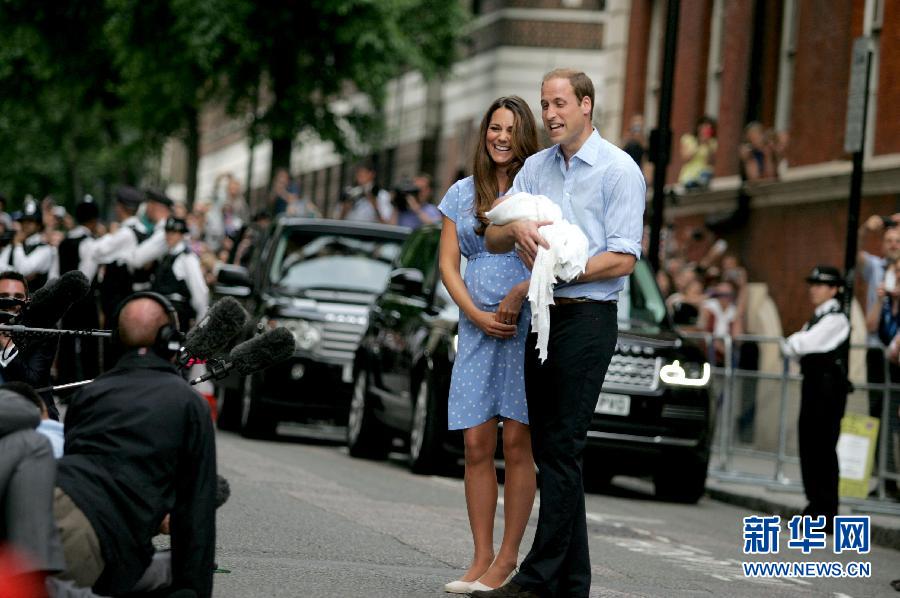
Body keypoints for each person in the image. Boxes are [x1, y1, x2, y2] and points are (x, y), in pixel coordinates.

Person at [478, 69, 645, 598]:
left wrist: (564, 268)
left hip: (589, 319)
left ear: (586, 105)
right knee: (553, 447)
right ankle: (572, 582)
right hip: (543, 315)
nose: (549, 114)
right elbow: (493, 234)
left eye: (559, 104)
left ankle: (538, 577)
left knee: (563, 445)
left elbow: (623, 259)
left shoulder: (620, 171)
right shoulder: (533, 169)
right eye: (544, 104)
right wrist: (516, 229)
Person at [437, 96, 539, 594]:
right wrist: (474, 314)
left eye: (512, 129)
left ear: (525, 137)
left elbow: (554, 254)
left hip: (526, 329)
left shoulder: (538, 189)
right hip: (477, 331)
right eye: (495, 128)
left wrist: (520, 296)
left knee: (518, 444)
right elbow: (447, 266)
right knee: (477, 444)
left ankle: (507, 559)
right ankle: (479, 557)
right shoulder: (461, 192)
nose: (501, 137)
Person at [53, 293, 217, 596]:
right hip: (89, 535)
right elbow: (196, 511)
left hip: (39, 504)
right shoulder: (189, 403)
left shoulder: (88, 395)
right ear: (170, 340)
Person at [781, 266, 850, 532]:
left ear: (834, 290)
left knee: (822, 448)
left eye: (821, 285)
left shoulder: (836, 319)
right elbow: (795, 347)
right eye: (813, 284)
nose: (814, 289)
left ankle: (826, 511)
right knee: (808, 446)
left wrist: (794, 341)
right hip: (813, 387)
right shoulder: (819, 317)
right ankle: (814, 507)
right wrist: (794, 342)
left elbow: (800, 345)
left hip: (828, 392)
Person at [0, 271, 59, 420]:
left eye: (18, 297)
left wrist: (6, 344)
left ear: (27, 300)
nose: (11, 302)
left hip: (32, 415)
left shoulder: (42, 330)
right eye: (4, 296)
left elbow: (33, 383)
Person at [56, 198, 102, 384]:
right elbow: (86, 276)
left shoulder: (64, 242)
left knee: (66, 342)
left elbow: (56, 273)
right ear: (93, 220)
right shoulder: (90, 243)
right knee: (88, 344)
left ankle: (65, 382)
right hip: (84, 301)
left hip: (65, 299)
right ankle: (88, 382)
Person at [152, 217, 209, 332]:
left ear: (182, 235)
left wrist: (200, 323)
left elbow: (200, 291)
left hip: (176, 315)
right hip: (159, 311)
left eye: (174, 233)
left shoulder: (187, 258)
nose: (169, 236)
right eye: (167, 232)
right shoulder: (166, 256)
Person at [9, 198, 57, 291]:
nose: (26, 224)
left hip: (36, 303)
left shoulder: (45, 249)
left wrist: (18, 244)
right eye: (24, 220)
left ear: (38, 224)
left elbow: (23, 270)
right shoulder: (14, 244)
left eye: (30, 221)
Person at [678, 115, 717, 190]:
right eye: (705, 127)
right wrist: (699, 143)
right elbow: (686, 158)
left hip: (704, 173)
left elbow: (711, 161)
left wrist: (708, 145)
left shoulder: (712, 143)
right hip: (689, 174)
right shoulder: (688, 139)